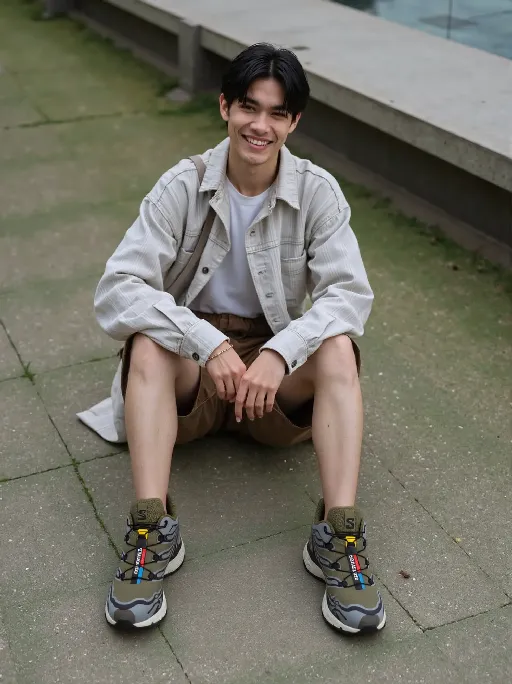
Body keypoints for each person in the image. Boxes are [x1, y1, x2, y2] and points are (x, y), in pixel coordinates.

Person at [78, 42, 386, 634]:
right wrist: (206, 343)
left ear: (294, 122)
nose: (260, 126)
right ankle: (151, 530)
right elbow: (117, 288)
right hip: (194, 373)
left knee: (338, 347)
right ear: (225, 106)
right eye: (249, 107)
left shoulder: (318, 192)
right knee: (148, 342)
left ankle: (338, 536)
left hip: (270, 385)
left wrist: (280, 351)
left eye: (277, 113)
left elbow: (350, 296)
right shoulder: (183, 184)